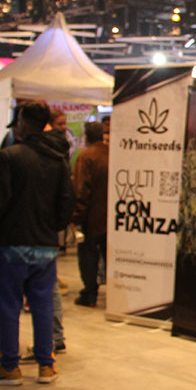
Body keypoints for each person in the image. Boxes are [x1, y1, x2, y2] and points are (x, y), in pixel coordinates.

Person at [0, 101, 73, 386]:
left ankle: (10, 366)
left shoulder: (10, 157)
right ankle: (46, 365)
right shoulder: (58, 158)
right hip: (45, 244)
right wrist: (51, 228)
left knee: (9, 305)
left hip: (13, 242)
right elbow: (66, 204)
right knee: (43, 304)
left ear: (23, 122)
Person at [72, 122, 108, 307]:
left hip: (91, 217)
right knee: (108, 255)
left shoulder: (86, 157)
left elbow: (81, 190)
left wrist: (76, 216)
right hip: (110, 217)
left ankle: (90, 293)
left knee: (88, 256)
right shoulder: (111, 153)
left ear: (86, 136)